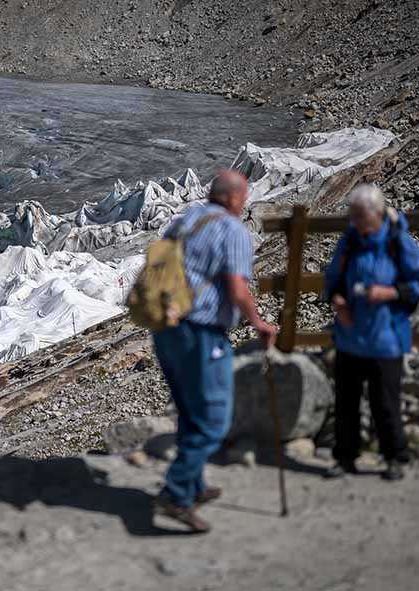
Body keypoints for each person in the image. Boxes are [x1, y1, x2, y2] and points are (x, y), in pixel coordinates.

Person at [152, 170, 277, 533]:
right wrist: (260, 324)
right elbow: (237, 289)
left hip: (165, 329)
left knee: (191, 410)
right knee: (214, 418)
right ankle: (175, 494)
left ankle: (194, 485)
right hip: (201, 333)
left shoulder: (185, 220)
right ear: (237, 198)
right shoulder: (233, 230)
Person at [323, 184, 419, 481]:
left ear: (376, 213)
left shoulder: (399, 243)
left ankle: (395, 456)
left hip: (386, 338)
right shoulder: (349, 242)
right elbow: (332, 279)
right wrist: (337, 300)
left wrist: (391, 292)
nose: (354, 221)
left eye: (359, 216)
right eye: (352, 215)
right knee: (346, 402)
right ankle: (345, 458)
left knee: (385, 402)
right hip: (351, 336)